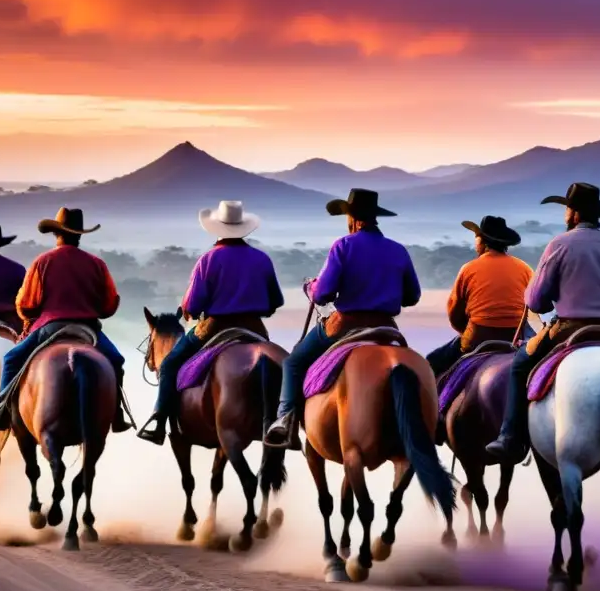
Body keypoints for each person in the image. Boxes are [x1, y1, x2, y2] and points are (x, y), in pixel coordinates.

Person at [485, 183, 600, 464]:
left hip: (568, 329)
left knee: (519, 365)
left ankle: (509, 438)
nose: (566, 214)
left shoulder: (558, 245)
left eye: (567, 208)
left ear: (575, 214)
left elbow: (536, 301)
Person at [264, 189, 421, 449]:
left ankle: (285, 420)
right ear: (374, 218)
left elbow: (323, 293)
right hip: (386, 328)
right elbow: (412, 296)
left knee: (293, 362)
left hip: (346, 325)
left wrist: (310, 287)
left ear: (354, 219)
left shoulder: (343, 246)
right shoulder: (398, 250)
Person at [137, 201, 284, 445]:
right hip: (255, 328)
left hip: (215, 327)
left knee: (171, 362)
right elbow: (274, 302)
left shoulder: (208, 260)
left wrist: (190, 309)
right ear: (244, 229)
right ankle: (286, 421)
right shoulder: (262, 259)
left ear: (217, 229)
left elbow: (192, 306)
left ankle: (159, 419)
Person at [0, 208, 131, 434]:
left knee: (12, 358)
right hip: (87, 328)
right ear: (80, 235)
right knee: (116, 361)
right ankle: (117, 413)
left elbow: (26, 304)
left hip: (49, 327)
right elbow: (108, 305)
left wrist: (30, 318)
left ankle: (1, 410)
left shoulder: (42, 262)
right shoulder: (96, 263)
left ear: (56, 234)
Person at [426, 216, 532, 378]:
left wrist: (465, 330)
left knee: (432, 362)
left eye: (476, 237)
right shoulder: (525, 268)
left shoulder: (468, 269)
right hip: (515, 336)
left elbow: (455, 314)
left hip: (478, 337)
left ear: (483, 242)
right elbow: (532, 304)